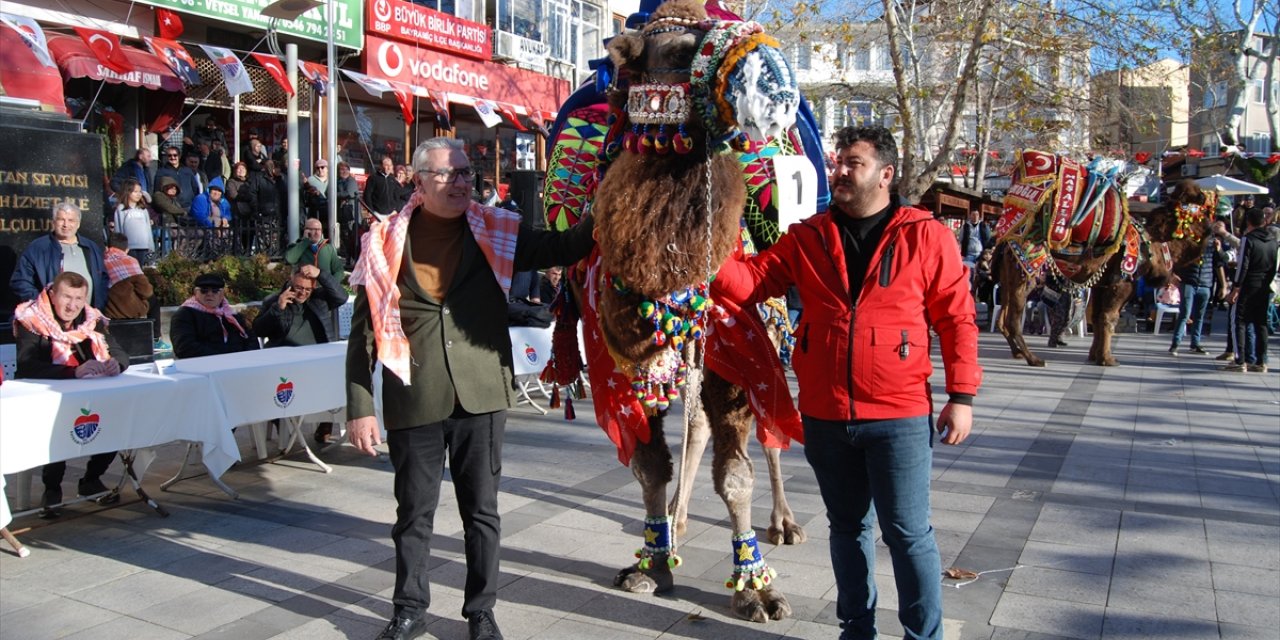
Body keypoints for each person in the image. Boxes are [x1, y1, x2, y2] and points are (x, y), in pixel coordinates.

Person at [711, 126, 980, 640]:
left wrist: (961, 397)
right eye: (837, 163)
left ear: (886, 173)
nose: (838, 172)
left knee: (907, 532)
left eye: (852, 163)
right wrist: (710, 257)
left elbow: (957, 320)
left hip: (898, 414)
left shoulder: (924, 235)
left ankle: (924, 635)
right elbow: (751, 283)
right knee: (848, 529)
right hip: (827, 414)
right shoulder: (808, 235)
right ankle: (856, 630)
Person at [344, 137, 596, 640]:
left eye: (466, 173)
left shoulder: (496, 229)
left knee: (481, 512)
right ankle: (409, 609)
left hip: (481, 393)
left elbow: (564, 247)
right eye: (449, 174)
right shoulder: (384, 242)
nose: (462, 183)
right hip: (414, 394)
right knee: (413, 514)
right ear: (418, 181)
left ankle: (481, 611)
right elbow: (365, 330)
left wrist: (603, 202)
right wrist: (360, 407)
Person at [14, 272, 129, 517]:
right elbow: (26, 366)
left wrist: (115, 364)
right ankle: (52, 489)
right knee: (59, 430)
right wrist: (73, 371)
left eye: (79, 298)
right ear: (53, 294)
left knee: (115, 420)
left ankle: (92, 478)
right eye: (67, 296)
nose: (72, 305)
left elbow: (119, 352)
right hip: (47, 397)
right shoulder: (31, 319)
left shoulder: (91, 319)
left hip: (91, 395)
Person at [254, 263, 348, 444]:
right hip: (286, 363)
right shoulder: (274, 301)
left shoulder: (319, 299)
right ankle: (285, 426)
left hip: (318, 360)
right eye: (298, 287)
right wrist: (278, 309)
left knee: (339, 376)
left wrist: (321, 274)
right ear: (290, 282)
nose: (302, 293)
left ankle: (326, 420)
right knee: (277, 386)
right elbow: (258, 330)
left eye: (307, 289)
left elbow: (341, 297)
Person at [11, 202, 108, 310]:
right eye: (61, 219)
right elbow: (21, 281)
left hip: (88, 317)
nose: (65, 224)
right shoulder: (38, 248)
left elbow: (103, 278)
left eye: (71, 220)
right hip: (51, 319)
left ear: (78, 224)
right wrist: (42, 303)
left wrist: (99, 304)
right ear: (54, 222)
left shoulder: (91, 247)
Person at [1222, 208, 1279, 373]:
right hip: (1264, 285)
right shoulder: (1273, 241)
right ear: (1265, 221)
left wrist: (1236, 287)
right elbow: (1274, 266)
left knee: (1238, 321)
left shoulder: (1248, 239)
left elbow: (1243, 265)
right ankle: (1261, 361)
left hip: (1248, 285)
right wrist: (1267, 282)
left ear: (1248, 222)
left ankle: (1240, 360)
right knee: (1261, 323)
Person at [170, 273, 259, 358]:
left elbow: (250, 338)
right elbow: (184, 348)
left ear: (221, 294)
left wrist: (246, 358)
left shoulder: (231, 315)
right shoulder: (185, 314)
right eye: (204, 290)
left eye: (215, 290)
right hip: (203, 367)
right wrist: (224, 357)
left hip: (238, 365)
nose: (209, 294)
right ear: (195, 292)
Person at [1168, 217, 1222, 356]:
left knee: (1200, 315)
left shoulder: (1213, 243)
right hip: (1189, 281)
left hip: (1205, 282)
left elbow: (1219, 263)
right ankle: (1175, 343)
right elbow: (1177, 258)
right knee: (1185, 313)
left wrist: (1219, 250)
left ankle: (1195, 343)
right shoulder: (1189, 242)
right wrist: (1173, 274)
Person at [113, 179, 155, 264]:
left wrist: (150, 245)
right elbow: (118, 228)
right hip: (129, 246)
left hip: (143, 245)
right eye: (135, 191)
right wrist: (120, 246)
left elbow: (147, 228)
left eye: (140, 191)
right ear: (127, 192)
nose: (138, 194)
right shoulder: (121, 209)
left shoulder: (143, 210)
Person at [363, 155, 401, 222]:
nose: (389, 167)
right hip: (377, 214)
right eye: (386, 165)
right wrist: (371, 211)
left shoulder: (392, 179)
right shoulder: (373, 178)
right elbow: (367, 195)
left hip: (391, 214)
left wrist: (396, 209)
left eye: (390, 165)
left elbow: (397, 195)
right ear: (381, 166)